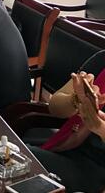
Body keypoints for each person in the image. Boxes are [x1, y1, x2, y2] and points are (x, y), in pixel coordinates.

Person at [28, 51, 105, 192]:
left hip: (96, 171)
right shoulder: (101, 60)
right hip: (67, 145)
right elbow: (54, 107)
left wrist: (99, 127)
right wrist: (75, 100)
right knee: (9, 155)